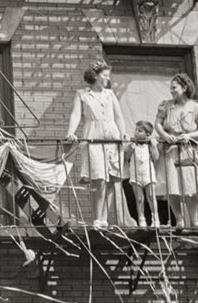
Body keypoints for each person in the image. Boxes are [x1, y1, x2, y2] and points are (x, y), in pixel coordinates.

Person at [65, 61, 127, 229]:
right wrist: (71, 132)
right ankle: (97, 217)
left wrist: (123, 133)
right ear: (95, 76)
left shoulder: (110, 94)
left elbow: (119, 116)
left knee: (111, 179)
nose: (108, 79)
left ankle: (104, 218)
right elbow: (76, 115)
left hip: (111, 137)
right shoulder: (82, 94)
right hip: (93, 137)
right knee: (98, 178)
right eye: (105, 75)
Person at [155, 73, 198, 228]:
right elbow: (157, 124)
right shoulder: (165, 106)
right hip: (170, 150)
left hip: (188, 151)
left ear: (184, 87)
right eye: (170, 88)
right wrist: (166, 136)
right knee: (172, 186)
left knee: (190, 187)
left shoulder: (196, 107)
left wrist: (189, 135)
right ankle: (179, 219)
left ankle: (194, 220)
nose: (171, 91)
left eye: (174, 88)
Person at [124, 121, 160, 229]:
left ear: (147, 134)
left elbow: (156, 158)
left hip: (148, 173)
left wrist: (154, 145)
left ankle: (155, 218)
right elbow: (126, 158)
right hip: (136, 174)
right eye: (136, 130)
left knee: (151, 196)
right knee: (139, 198)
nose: (136, 132)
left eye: (139, 131)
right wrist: (131, 149)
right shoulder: (132, 144)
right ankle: (141, 219)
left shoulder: (149, 144)